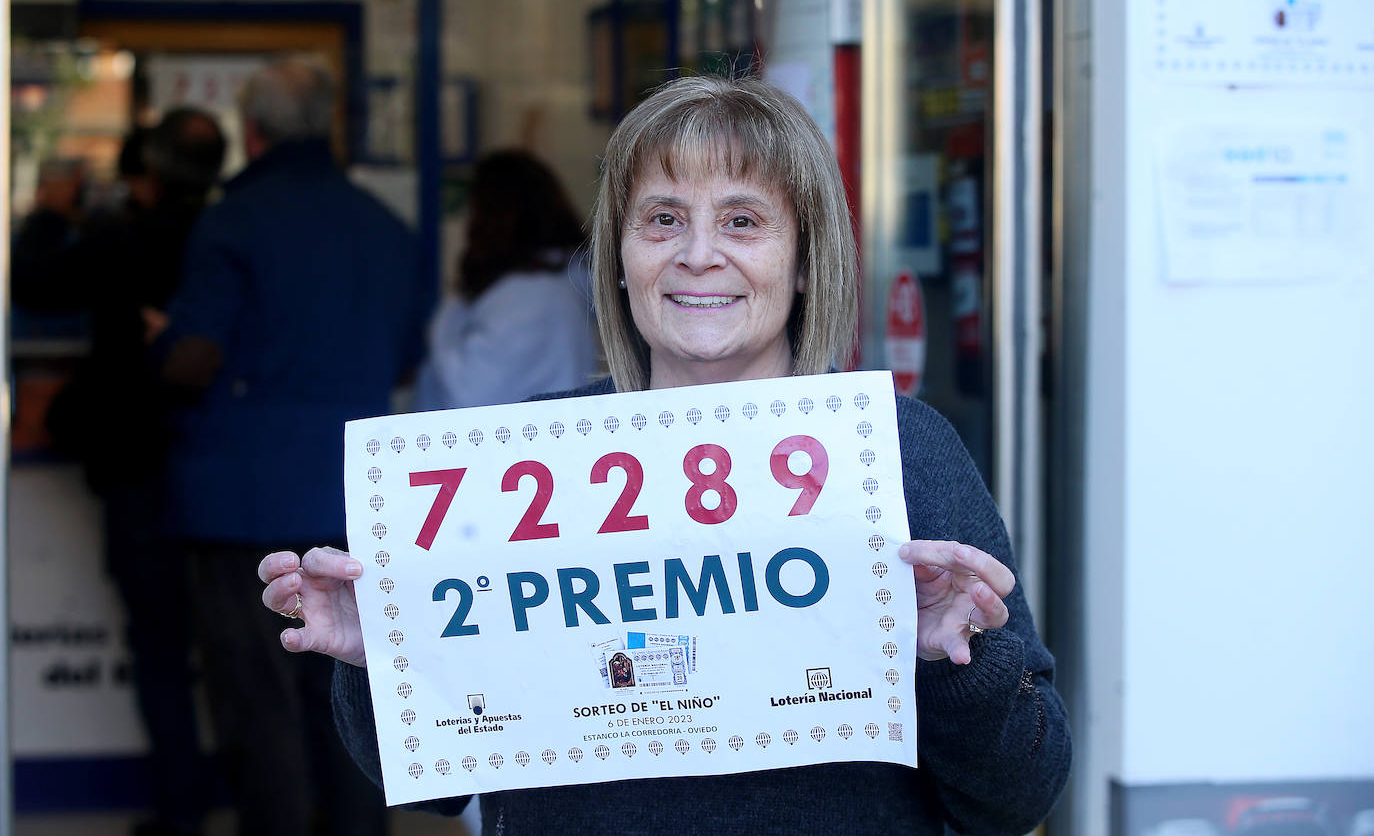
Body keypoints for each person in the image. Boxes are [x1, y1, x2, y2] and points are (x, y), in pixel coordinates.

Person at [257, 75, 1071, 835]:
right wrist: (383, 656)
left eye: (744, 221)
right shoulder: (518, 463)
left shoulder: (895, 449)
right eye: (663, 219)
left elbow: (1016, 797)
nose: (698, 254)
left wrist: (957, 662)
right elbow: (440, 791)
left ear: (803, 263)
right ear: (619, 257)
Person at [152, 58, 426, 836]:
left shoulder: (231, 221)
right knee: (350, 705)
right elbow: (406, 356)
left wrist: (159, 344)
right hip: (354, 502)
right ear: (329, 127)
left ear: (253, 130)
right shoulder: (384, 226)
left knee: (259, 709)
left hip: (241, 506)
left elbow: (193, 357)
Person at [13, 110, 226, 836]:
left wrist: (48, 211)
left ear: (145, 177)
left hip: (138, 471)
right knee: (239, 652)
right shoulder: (229, 235)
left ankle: (181, 809)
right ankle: (260, 801)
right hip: (224, 472)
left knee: (161, 648)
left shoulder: (120, 238)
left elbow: (34, 284)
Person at [411, 149, 600, 411]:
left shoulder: (528, 298)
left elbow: (469, 395)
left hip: (514, 448)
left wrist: (447, 315)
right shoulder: (562, 286)